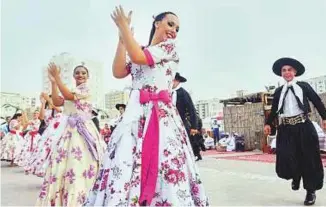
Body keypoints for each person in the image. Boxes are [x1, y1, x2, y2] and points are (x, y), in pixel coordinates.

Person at [85, 8, 208, 206]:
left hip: (160, 115)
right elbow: (118, 71)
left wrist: (124, 27)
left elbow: (138, 58)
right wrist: (122, 39)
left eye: (177, 28)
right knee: (127, 156)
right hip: (135, 113)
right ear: (156, 23)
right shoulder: (140, 50)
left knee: (163, 160)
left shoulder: (169, 48)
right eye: (170, 24)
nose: (174, 31)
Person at [36, 63, 106, 206]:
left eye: (83, 73)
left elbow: (68, 96)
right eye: (77, 73)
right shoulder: (72, 89)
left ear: (88, 76)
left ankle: (83, 198)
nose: (80, 75)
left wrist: (58, 78)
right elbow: (56, 101)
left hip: (83, 129)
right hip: (68, 130)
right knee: (65, 163)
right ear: (73, 76)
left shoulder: (86, 88)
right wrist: (54, 83)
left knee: (81, 163)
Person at [264, 57, 326, 206]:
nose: (287, 72)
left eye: (289, 70)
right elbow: (274, 110)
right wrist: (268, 124)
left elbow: (317, 101)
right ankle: (296, 176)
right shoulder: (279, 91)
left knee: (309, 159)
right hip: (286, 129)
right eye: (284, 70)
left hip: (303, 126)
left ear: (295, 72)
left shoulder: (303, 86)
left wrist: (325, 119)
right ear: (281, 73)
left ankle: (310, 191)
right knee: (287, 156)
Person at [172, 73, 201, 161]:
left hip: (181, 123)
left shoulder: (183, 93)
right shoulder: (164, 91)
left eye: (174, 80)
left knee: (183, 146)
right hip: (167, 123)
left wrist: (194, 127)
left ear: (178, 81)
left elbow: (191, 109)